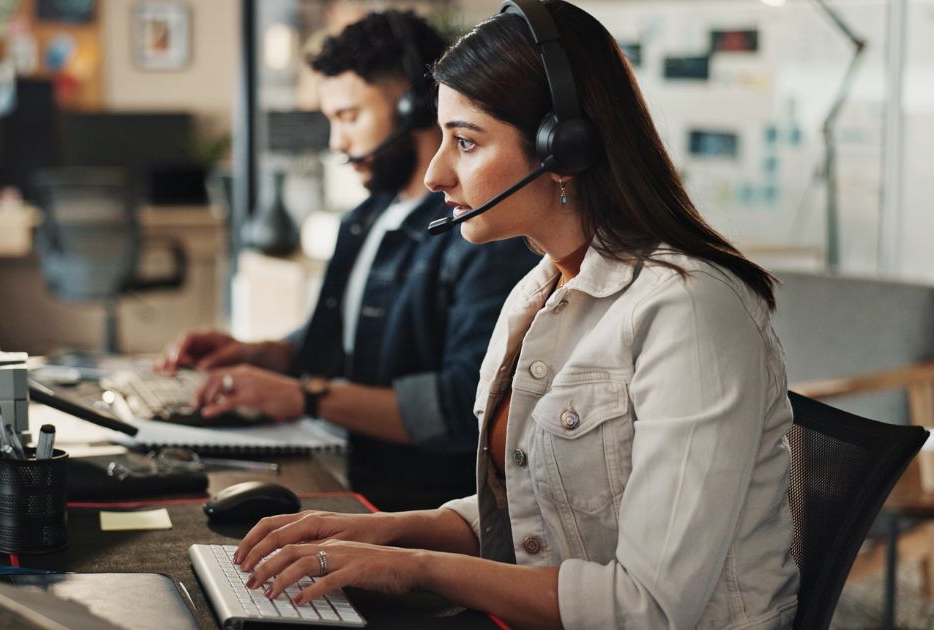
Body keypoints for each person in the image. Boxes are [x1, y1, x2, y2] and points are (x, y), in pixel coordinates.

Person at [228, 2, 800, 628]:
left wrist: (417, 567)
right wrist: (381, 532)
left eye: (466, 142)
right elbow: (546, 518)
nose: (437, 171)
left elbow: (648, 608)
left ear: (565, 149)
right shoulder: (541, 291)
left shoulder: (689, 311)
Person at [159, 10, 540, 511]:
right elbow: (344, 342)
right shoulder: (364, 218)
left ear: (410, 106)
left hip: (417, 504)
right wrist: (260, 354)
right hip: (338, 470)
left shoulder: (479, 231)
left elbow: (463, 406)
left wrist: (307, 396)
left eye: (349, 117)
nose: (337, 142)